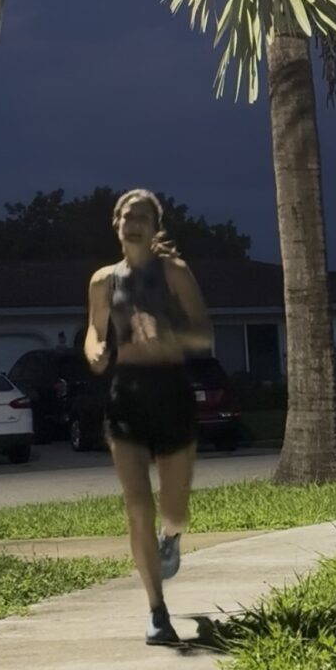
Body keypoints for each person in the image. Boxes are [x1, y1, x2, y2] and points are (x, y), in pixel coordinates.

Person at [84, 188, 212, 646]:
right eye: (127, 216)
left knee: (174, 511)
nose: (133, 223)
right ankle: (157, 612)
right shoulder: (103, 281)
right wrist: (95, 350)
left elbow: (204, 333)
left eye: (142, 217)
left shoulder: (174, 272)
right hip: (127, 396)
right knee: (138, 505)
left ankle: (171, 537)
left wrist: (169, 336)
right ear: (116, 224)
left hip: (171, 392)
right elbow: (94, 329)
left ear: (155, 228)